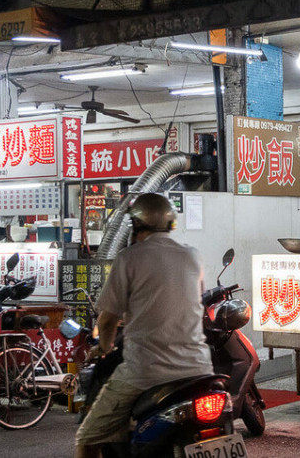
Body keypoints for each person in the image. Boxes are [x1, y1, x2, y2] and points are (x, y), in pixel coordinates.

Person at [75, 193, 213, 458]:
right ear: (171, 224)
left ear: (136, 225)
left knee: (88, 438)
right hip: (198, 368)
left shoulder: (129, 258)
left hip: (146, 372)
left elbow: (107, 319)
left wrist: (103, 347)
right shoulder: (192, 256)